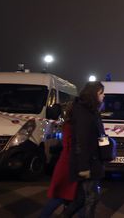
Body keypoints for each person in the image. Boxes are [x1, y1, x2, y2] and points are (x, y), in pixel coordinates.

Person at [63, 82, 106, 218]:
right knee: (92, 197)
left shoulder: (91, 111)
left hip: (91, 160)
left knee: (81, 199)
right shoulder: (84, 112)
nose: (104, 95)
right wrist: (84, 167)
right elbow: (82, 141)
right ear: (93, 95)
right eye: (101, 93)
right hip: (88, 162)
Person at [39, 102, 77, 218]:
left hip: (68, 165)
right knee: (63, 197)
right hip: (69, 166)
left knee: (68, 198)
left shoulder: (69, 124)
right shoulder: (72, 125)